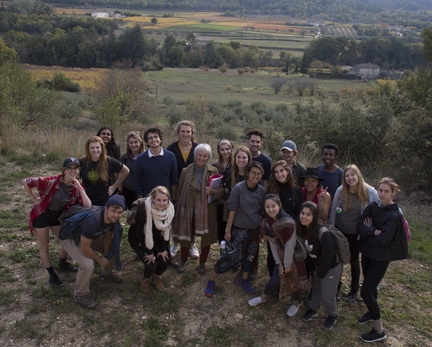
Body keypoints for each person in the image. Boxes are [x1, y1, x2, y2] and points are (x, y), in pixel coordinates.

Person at [23, 158, 92, 288]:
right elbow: (26, 182)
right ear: (64, 170)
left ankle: (63, 262)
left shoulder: (77, 185)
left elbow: (88, 206)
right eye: (69, 168)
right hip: (42, 215)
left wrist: (80, 189)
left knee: (65, 239)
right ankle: (52, 276)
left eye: (75, 168)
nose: (73, 171)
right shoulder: (51, 181)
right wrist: (34, 199)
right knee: (44, 246)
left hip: (57, 217)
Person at [356, 177, 408, 343]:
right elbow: (360, 226)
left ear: (392, 193)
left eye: (386, 191)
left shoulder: (393, 216)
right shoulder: (373, 206)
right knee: (370, 287)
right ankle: (371, 313)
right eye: (380, 190)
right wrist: (373, 230)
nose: (383, 194)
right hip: (367, 253)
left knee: (365, 292)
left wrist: (369, 232)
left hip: (381, 257)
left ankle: (379, 330)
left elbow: (383, 240)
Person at [204, 162, 266, 297]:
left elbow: (261, 212)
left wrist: (260, 230)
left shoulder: (261, 191)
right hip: (239, 229)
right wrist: (228, 230)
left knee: (249, 256)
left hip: (254, 230)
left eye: (259, 174)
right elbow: (232, 210)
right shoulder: (238, 189)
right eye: (253, 173)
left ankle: (243, 280)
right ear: (248, 173)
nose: (256, 176)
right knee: (229, 256)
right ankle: (211, 280)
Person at [59, 195, 125, 309]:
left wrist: (106, 253)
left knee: (112, 249)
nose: (116, 215)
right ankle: (80, 294)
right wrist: (99, 260)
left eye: (119, 212)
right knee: (87, 264)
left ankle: (106, 273)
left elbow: (107, 236)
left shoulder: (112, 220)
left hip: (87, 235)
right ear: (106, 208)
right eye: (114, 211)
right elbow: (85, 248)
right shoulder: (93, 221)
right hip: (70, 236)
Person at [329, 164, 378, 302]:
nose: (350, 178)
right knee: (338, 259)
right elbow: (333, 210)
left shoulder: (369, 192)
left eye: (352, 174)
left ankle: (354, 289)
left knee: (353, 260)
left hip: (357, 233)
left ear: (358, 175)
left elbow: (379, 209)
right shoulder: (341, 190)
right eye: (347, 175)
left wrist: (371, 228)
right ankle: (336, 287)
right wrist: (332, 229)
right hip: (341, 230)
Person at [172, 144, 224, 274]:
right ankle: (183, 260)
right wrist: (178, 208)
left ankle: (202, 262)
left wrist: (213, 191)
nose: (201, 158)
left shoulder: (214, 171)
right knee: (186, 234)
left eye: (205, 156)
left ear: (208, 157)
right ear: (195, 155)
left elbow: (221, 190)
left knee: (206, 236)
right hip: (187, 208)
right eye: (199, 155)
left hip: (206, 210)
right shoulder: (185, 171)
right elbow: (179, 191)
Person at [247, 195, 296, 308]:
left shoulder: (288, 222)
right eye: (267, 207)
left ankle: (295, 303)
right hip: (281, 254)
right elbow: (273, 244)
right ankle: (263, 298)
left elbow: (290, 245)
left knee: (295, 281)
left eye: (273, 206)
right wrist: (279, 263)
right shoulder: (267, 222)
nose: (271, 209)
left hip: (294, 255)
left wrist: (287, 265)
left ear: (280, 206)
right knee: (274, 280)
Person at [299, 201, 342, 330]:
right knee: (316, 289)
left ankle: (332, 315)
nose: (304, 217)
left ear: (315, 217)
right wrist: (313, 268)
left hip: (330, 268)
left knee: (328, 293)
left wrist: (321, 272)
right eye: (302, 213)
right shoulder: (305, 228)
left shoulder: (324, 233)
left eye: (308, 215)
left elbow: (328, 257)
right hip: (318, 266)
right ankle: (313, 309)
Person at [128, 186, 175, 293]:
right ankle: (145, 279)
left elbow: (166, 230)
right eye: (158, 200)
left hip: (158, 238)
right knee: (151, 265)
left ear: (168, 200)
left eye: (164, 200)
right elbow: (139, 233)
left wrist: (163, 248)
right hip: (140, 239)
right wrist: (148, 251)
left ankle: (155, 277)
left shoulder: (170, 209)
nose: (161, 203)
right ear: (153, 199)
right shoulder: (143, 211)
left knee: (164, 262)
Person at [166, 121, 199, 259]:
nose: (185, 134)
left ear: (192, 133)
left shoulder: (197, 148)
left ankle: (192, 244)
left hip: (193, 189)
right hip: (176, 188)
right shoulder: (171, 148)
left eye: (188, 131)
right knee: (176, 217)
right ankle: (175, 244)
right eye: (183, 131)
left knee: (192, 217)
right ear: (178, 132)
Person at [266, 160, 303, 277]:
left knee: (288, 255)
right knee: (273, 256)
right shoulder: (272, 188)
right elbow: (267, 209)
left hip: (290, 229)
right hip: (274, 228)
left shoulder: (296, 188)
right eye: (276, 172)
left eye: (281, 170)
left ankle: (288, 283)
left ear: (287, 171)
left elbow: (299, 211)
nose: (279, 174)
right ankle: (274, 281)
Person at [79, 136, 129, 207]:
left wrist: (114, 186)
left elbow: (126, 171)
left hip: (103, 202)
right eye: (92, 148)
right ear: (88, 149)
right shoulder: (82, 162)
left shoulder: (109, 161)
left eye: (97, 147)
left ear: (102, 148)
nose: (95, 150)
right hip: (87, 200)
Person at [134, 127, 178, 199]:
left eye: (156, 137)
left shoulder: (171, 156)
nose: (154, 139)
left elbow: (174, 180)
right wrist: (141, 200)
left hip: (166, 199)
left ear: (160, 139)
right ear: (147, 142)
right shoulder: (140, 159)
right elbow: (137, 182)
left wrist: (173, 198)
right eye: (150, 138)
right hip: (147, 199)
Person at [212, 139, 234, 243]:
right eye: (222, 149)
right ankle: (222, 249)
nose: (225, 152)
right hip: (219, 201)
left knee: (232, 228)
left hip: (233, 201)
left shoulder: (236, 165)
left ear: (231, 149)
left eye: (227, 149)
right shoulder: (215, 166)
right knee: (220, 226)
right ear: (219, 151)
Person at [119, 131, 145, 209]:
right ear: (128, 143)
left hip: (142, 190)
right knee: (131, 213)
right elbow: (120, 174)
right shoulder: (124, 157)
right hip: (128, 189)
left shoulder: (146, 156)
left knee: (141, 213)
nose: (133, 145)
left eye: (136, 142)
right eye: (131, 142)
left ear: (140, 142)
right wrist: (120, 191)